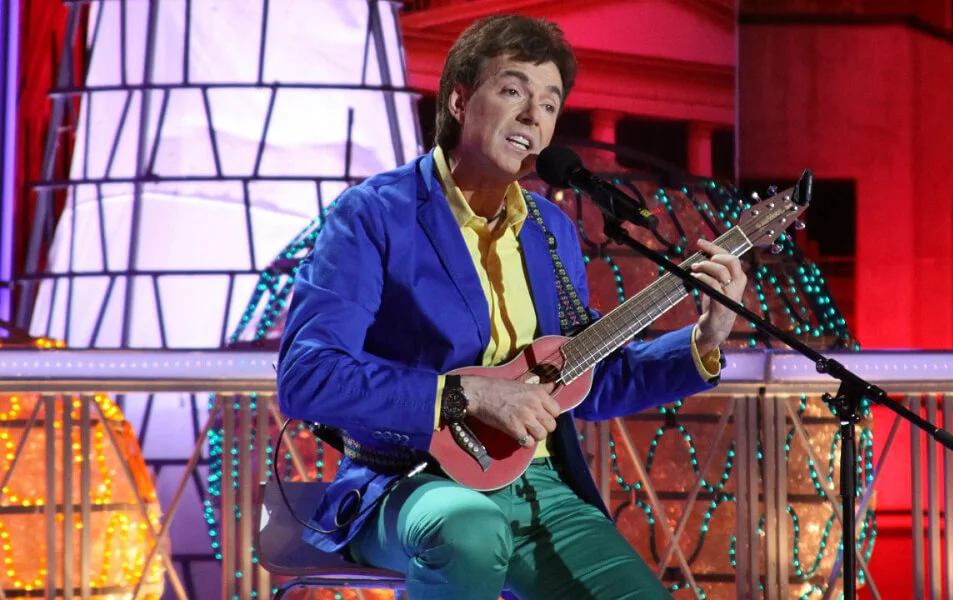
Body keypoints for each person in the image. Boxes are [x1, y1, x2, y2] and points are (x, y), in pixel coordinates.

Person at [277, 14, 747, 600]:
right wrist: (466, 395)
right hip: (410, 481)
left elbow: (587, 382)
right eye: (512, 91)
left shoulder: (551, 231)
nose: (533, 115)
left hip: (541, 490)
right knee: (471, 531)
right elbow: (308, 377)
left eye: (549, 104)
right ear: (459, 100)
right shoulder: (374, 215)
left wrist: (704, 341)